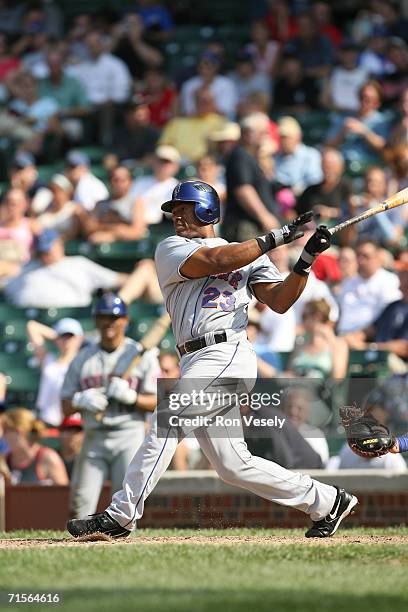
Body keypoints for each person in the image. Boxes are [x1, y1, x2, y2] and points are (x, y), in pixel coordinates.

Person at [67, 179, 357, 540]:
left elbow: (280, 301)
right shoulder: (171, 248)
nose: (177, 217)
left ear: (207, 209)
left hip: (227, 351)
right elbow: (215, 259)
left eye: (185, 209)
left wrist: (305, 262)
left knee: (167, 420)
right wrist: (277, 237)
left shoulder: (250, 254)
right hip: (194, 357)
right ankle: (327, 500)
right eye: (175, 210)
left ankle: (121, 516)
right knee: (233, 465)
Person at [61, 292, 160, 518]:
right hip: (93, 436)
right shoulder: (83, 358)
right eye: (103, 317)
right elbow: (65, 406)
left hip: (129, 435)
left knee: (126, 506)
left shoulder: (140, 355)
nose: (108, 322)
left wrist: (133, 397)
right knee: (79, 504)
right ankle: (78, 550)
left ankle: (126, 549)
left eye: (114, 317)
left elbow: (158, 402)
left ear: (125, 320)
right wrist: (80, 400)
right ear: (96, 320)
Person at [4, 229, 128, 308]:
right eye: (43, 250)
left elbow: (117, 279)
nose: (46, 253)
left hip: (70, 325)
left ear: (59, 244)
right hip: (30, 322)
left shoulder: (78, 263)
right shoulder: (28, 268)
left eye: (49, 248)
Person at [222, 113, 279, 243]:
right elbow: (243, 190)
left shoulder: (251, 156)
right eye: (263, 133)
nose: (267, 136)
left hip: (252, 226)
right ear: (248, 134)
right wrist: (265, 217)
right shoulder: (240, 155)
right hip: (244, 227)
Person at [27, 316, 84, 427]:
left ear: (79, 339)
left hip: (73, 425)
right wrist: (56, 336)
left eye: (70, 336)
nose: (67, 341)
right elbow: (32, 326)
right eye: (63, 336)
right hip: (46, 421)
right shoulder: (48, 361)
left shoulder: (83, 363)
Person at [336, 239, 401, 334]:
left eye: (366, 256)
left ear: (377, 257)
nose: (361, 261)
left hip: (370, 340)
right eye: (358, 256)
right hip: (342, 336)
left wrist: (359, 336)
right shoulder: (348, 282)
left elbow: (388, 317)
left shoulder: (390, 281)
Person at [343, 268, 408, 361]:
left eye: (404, 273)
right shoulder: (393, 306)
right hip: (376, 357)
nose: (399, 276)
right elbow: (373, 329)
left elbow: (404, 347)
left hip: (397, 365)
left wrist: (367, 347)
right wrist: (353, 337)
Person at [325, 80, 391, 165]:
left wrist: (364, 132)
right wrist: (342, 132)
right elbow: (328, 144)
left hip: (367, 163)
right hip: (343, 161)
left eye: (369, 99)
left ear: (377, 103)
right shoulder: (345, 117)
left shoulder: (382, 121)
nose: (364, 102)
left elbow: (383, 147)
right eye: (362, 97)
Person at [1, 407, 68, 485]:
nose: (3, 436)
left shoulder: (48, 458)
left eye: (6, 431)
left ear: (19, 432)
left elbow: (64, 494)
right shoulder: (4, 461)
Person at [159, 87, 227, 163]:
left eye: (206, 101)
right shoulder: (177, 123)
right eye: (199, 100)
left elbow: (224, 147)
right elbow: (163, 145)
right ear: (194, 102)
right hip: (175, 164)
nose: (202, 104)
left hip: (205, 165)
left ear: (212, 103)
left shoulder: (220, 122)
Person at [83, 165, 147, 244]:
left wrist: (112, 235)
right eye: (115, 179)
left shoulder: (136, 202)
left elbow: (138, 231)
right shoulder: (100, 204)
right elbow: (89, 228)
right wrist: (116, 228)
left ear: (130, 182)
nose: (118, 183)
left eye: (122, 180)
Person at [296, 148, 352, 224]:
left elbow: (352, 211)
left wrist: (330, 212)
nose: (328, 169)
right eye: (325, 164)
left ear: (341, 167)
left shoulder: (346, 187)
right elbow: (296, 213)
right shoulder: (311, 190)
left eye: (332, 165)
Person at [104, 96, 160, 171]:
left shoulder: (152, 133)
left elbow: (151, 158)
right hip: (122, 174)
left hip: (145, 176)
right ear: (127, 115)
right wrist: (118, 170)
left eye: (144, 110)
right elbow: (109, 159)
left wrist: (132, 167)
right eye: (137, 111)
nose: (142, 114)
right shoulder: (117, 134)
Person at [180, 50, 238, 120]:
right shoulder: (189, 85)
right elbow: (188, 113)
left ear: (216, 67)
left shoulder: (227, 84)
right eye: (201, 67)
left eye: (208, 68)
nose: (204, 71)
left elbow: (227, 113)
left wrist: (208, 100)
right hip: (195, 124)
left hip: (220, 125)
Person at [274, 116, 323, 197]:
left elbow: (315, 182)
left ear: (298, 137)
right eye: (281, 137)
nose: (283, 141)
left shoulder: (311, 155)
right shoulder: (274, 156)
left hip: (304, 202)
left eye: (286, 137)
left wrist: (295, 191)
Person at [130, 145, 180, 225]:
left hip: (164, 229)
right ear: (153, 162)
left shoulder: (178, 188)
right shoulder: (140, 182)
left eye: (167, 162)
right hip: (137, 225)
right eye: (160, 161)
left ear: (175, 166)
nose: (162, 166)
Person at [35, 173, 81, 240]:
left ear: (67, 192)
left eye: (56, 190)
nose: (53, 193)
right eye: (51, 189)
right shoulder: (45, 210)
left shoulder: (74, 209)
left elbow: (72, 235)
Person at [59, 413, 84, 480]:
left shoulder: (90, 460)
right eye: (68, 430)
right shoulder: (54, 457)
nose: (71, 435)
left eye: (76, 431)